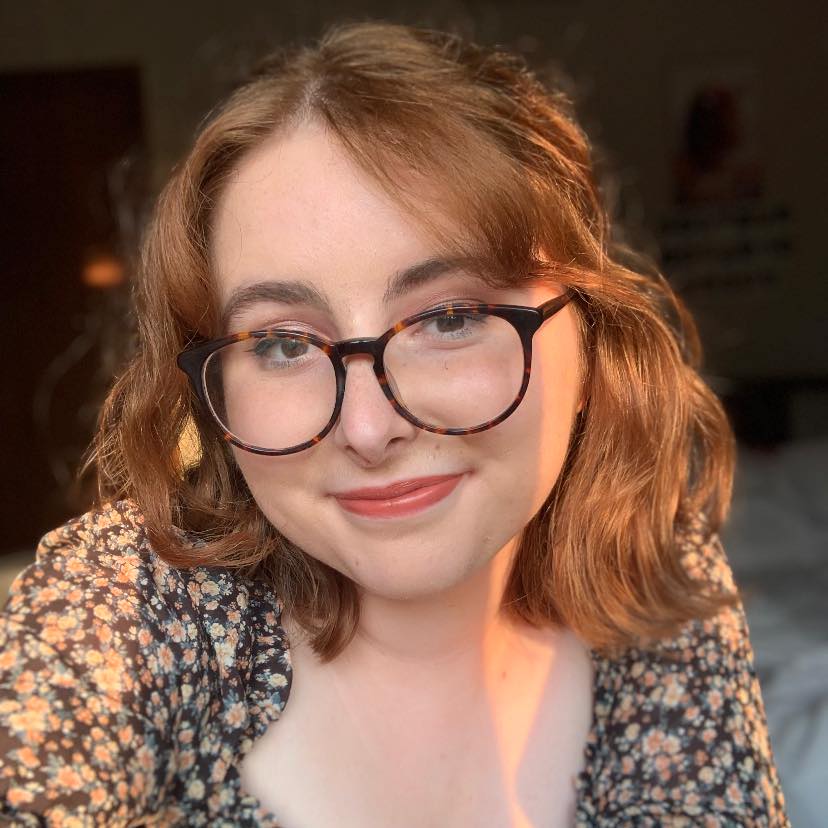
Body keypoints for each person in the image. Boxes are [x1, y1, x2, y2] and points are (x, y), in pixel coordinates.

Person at [0, 21, 789, 827]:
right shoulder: (143, 598)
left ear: (589, 344)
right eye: (282, 343)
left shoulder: (650, 566)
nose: (368, 429)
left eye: (450, 318)